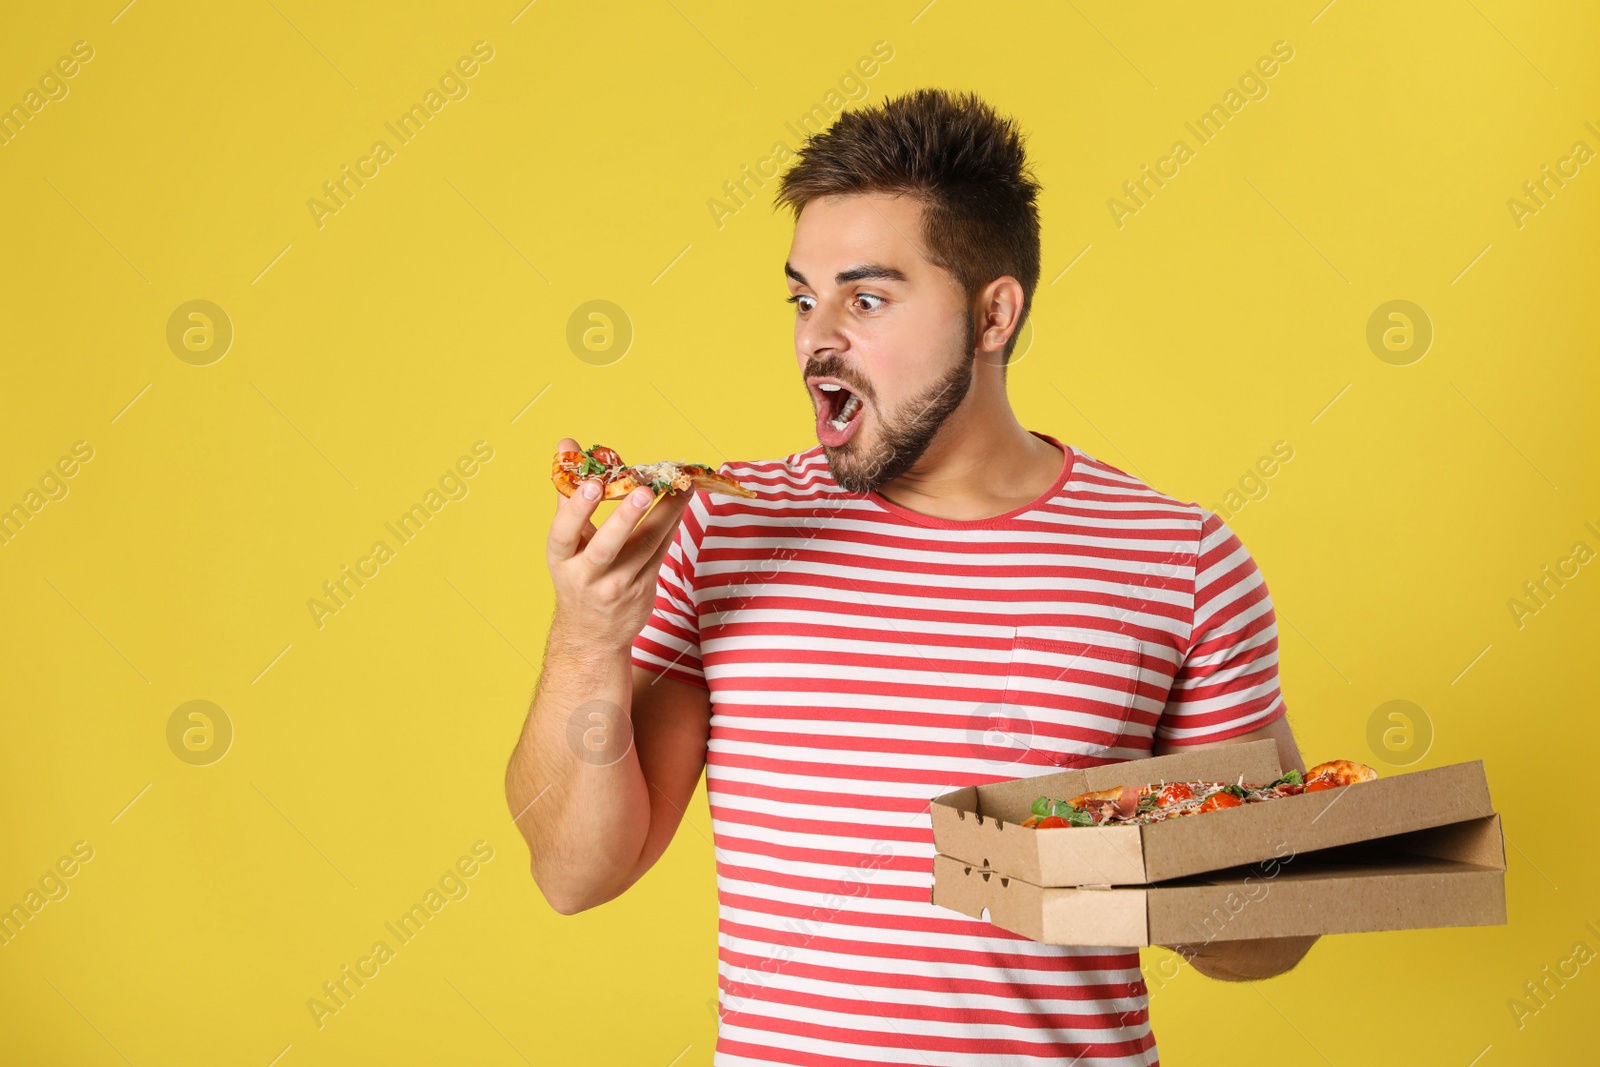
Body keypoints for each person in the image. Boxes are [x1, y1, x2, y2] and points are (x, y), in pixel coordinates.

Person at [507, 87, 1316, 1067]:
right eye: (803, 297)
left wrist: (1107, 861)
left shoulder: (1178, 557)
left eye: (867, 297)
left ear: (991, 312)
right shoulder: (725, 525)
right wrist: (587, 636)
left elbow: (1266, 935)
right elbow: (576, 871)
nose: (816, 339)